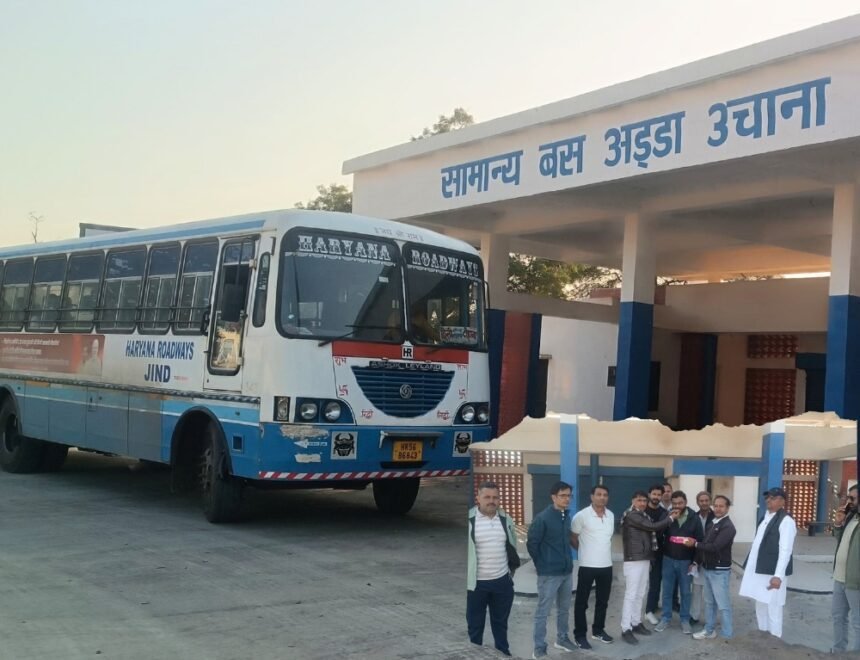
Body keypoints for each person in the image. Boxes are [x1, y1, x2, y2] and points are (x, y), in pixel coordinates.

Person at [466, 481, 520, 657]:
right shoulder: (470, 520)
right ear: (478, 498)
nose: (492, 501)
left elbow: (512, 545)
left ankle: (503, 653)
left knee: (501, 624)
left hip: (502, 583)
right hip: (477, 585)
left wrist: (510, 573)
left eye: (495, 497)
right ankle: (475, 654)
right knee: (475, 626)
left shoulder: (506, 519)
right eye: (487, 497)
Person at [619, 490, 678, 645]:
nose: (642, 503)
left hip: (644, 558)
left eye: (644, 501)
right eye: (639, 500)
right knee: (631, 595)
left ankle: (636, 623)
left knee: (640, 594)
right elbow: (653, 527)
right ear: (633, 501)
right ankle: (626, 628)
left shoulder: (643, 515)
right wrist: (671, 518)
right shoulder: (632, 515)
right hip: (634, 559)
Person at [739, 486, 797, 638]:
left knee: (774, 608)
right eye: (767, 497)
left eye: (773, 497)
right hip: (760, 570)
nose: (768, 500)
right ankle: (763, 639)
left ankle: (775, 644)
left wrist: (778, 576)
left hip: (773, 573)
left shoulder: (786, 521)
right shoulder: (765, 518)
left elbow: (785, 551)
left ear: (782, 501)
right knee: (761, 604)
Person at [527, 481, 577, 658]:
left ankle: (562, 638)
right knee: (543, 612)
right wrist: (542, 565)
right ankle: (539, 647)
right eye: (563, 495)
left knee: (564, 609)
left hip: (566, 572)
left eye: (569, 495)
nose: (567, 499)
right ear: (553, 497)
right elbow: (532, 544)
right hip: (549, 573)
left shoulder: (566, 516)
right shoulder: (543, 518)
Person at [570, 484, 615, 649]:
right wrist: (585, 551)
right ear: (592, 496)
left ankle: (598, 630)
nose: (602, 497)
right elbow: (573, 538)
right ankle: (580, 635)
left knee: (603, 601)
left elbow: (607, 539)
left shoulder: (610, 515)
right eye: (599, 494)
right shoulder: (581, 516)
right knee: (582, 602)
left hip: (606, 566)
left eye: (605, 495)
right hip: (587, 566)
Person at [685, 495, 736, 640]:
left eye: (722, 506)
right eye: (716, 505)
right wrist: (696, 562)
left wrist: (694, 544)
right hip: (707, 569)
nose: (718, 508)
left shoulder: (728, 527)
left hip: (719, 571)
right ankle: (709, 630)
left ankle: (727, 634)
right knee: (709, 603)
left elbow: (714, 547)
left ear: (727, 508)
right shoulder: (713, 523)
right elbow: (704, 546)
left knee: (723, 604)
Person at [655, 490, 703, 634]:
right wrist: (668, 520)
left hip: (685, 562)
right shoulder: (667, 515)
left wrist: (695, 561)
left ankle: (684, 620)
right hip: (668, 560)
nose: (677, 506)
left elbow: (699, 540)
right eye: (674, 503)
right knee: (667, 591)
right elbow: (658, 534)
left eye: (680, 503)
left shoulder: (694, 518)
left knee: (686, 592)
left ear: (685, 503)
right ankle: (665, 618)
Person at [831, 483, 859, 653]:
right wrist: (838, 524)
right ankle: (838, 652)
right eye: (849, 498)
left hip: (855, 580)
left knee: (858, 621)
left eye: (853, 498)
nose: (849, 502)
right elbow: (840, 540)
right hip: (839, 577)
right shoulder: (851, 517)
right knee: (838, 617)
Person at [644, 484, 669, 626]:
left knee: (655, 582)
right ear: (649, 494)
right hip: (643, 552)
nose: (656, 497)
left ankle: (650, 609)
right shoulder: (642, 509)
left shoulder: (663, 512)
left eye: (659, 495)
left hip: (659, 551)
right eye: (654, 494)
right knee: (641, 583)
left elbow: (663, 531)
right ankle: (647, 610)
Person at [689, 491, 714, 624]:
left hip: (712, 558)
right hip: (697, 557)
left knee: (711, 592)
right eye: (701, 500)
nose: (704, 503)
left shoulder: (716, 516)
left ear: (710, 501)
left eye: (706, 500)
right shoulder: (694, 516)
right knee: (696, 589)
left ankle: (711, 619)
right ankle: (694, 616)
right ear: (698, 502)